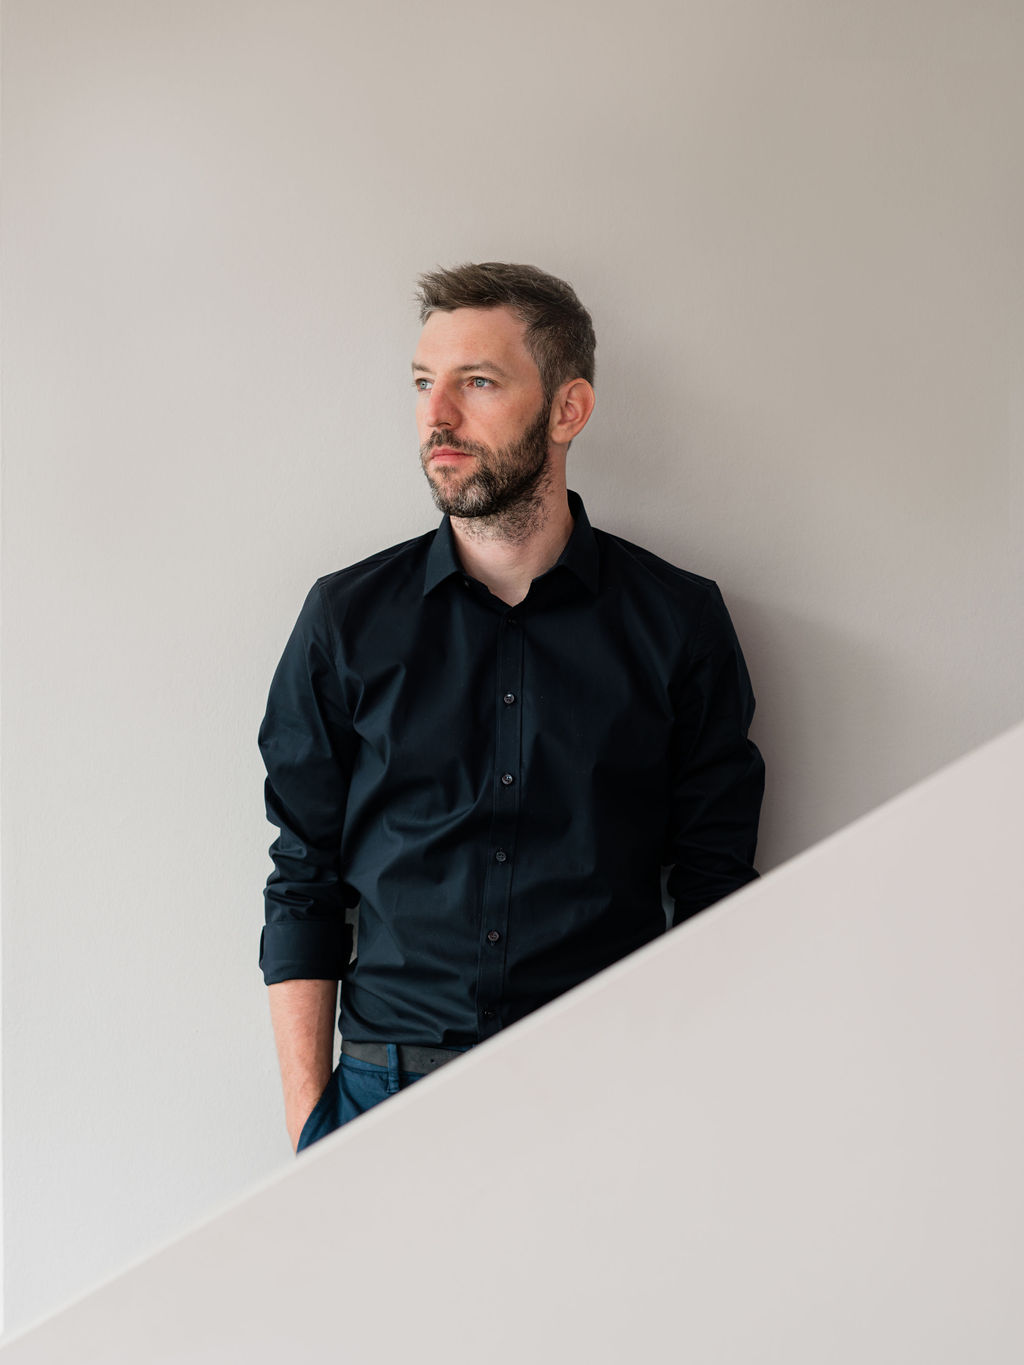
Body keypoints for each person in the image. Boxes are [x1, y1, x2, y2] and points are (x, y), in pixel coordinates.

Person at [259, 262, 764, 1152]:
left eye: (478, 382)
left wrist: (689, 1101)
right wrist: (311, 1123)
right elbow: (303, 877)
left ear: (569, 409)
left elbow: (714, 889)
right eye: (424, 382)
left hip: (607, 1095)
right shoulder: (346, 619)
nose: (437, 415)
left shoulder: (677, 624)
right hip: (385, 1100)